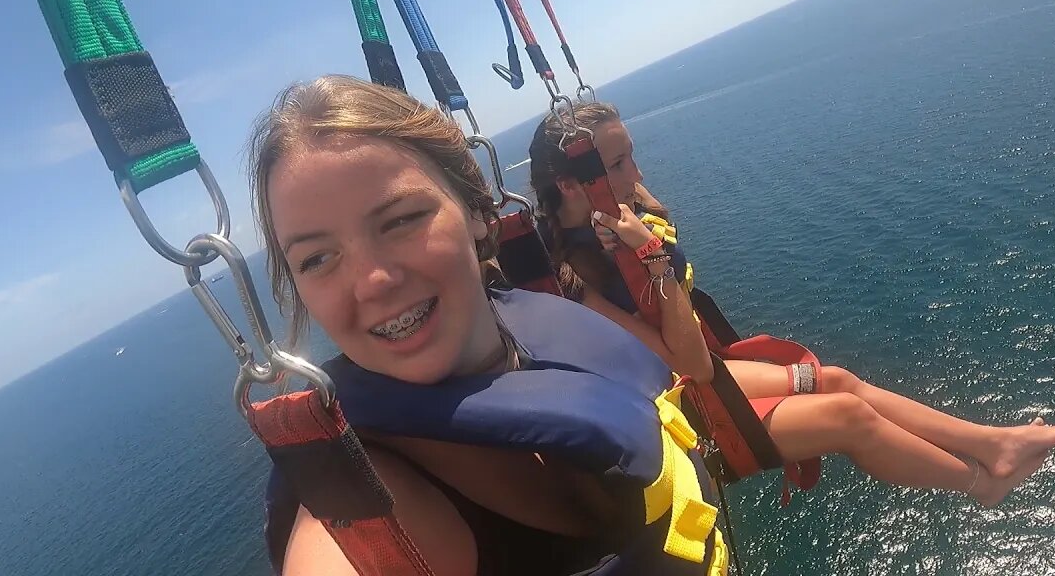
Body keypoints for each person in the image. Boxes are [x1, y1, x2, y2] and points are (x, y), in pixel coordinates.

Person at [249, 76, 731, 576]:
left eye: (400, 221)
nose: (372, 282)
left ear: (477, 212)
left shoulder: (531, 318)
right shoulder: (363, 515)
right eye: (317, 258)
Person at [527, 101, 1055, 507]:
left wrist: (643, 227)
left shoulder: (622, 218)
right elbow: (687, 367)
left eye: (631, 158)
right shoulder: (578, 287)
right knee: (847, 415)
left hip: (704, 375)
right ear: (571, 186)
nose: (637, 176)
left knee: (837, 379)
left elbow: (654, 212)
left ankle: (994, 444)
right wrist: (649, 255)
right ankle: (985, 486)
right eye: (618, 165)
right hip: (670, 411)